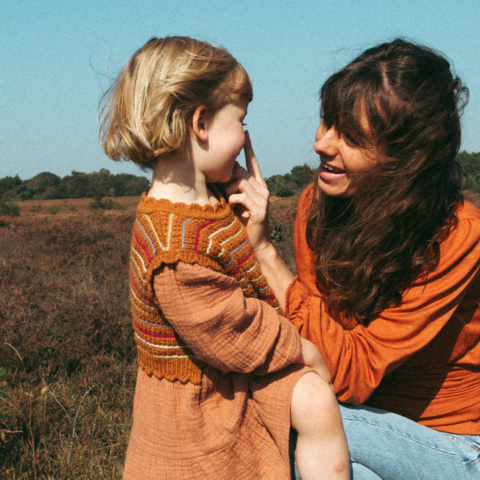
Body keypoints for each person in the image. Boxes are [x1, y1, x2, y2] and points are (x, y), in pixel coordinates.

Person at [99, 36, 350, 480]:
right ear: (201, 123)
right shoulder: (172, 241)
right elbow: (226, 327)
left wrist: (252, 230)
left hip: (227, 380)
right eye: (241, 121)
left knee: (315, 403)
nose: (245, 140)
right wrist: (301, 348)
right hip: (197, 422)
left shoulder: (209, 203)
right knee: (314, 397)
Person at [228, 39, 480, 479]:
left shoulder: (459, 233)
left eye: (350, 136)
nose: (321, 143)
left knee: (263, 419)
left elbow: (353, 373)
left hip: (454, 446)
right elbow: (319, 345)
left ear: (405, 157)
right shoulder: (317, 204)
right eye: (327, 122)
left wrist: (263, 251)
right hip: (362, 426)